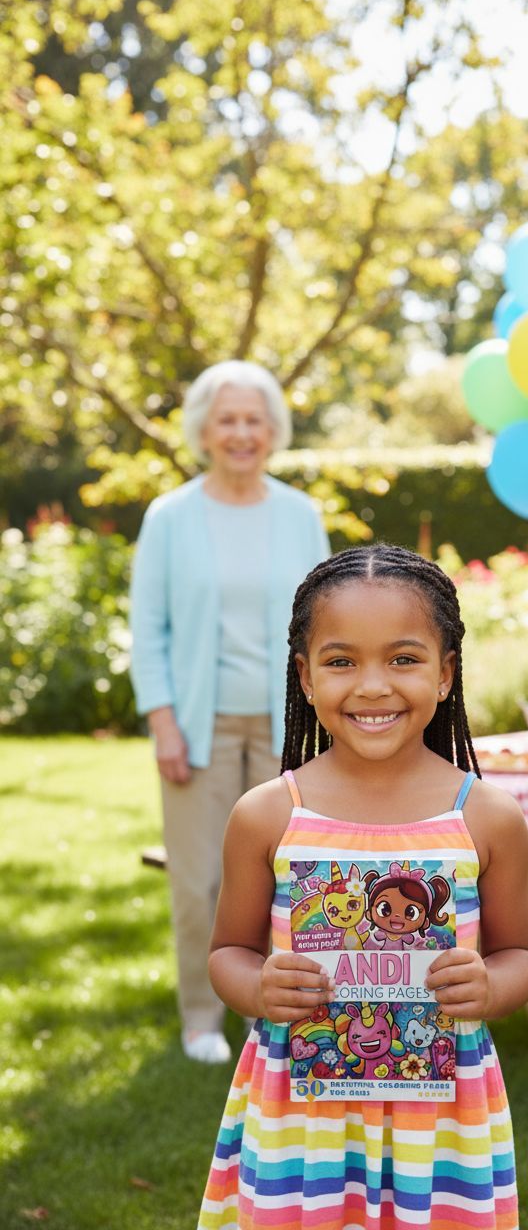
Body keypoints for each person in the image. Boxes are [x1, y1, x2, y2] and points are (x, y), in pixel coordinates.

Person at [197, 543, 528, 1230]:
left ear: (446, 674)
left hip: (441, 1124)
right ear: (305, 677)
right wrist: (258, 988)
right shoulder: (268, 815)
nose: (373, 686)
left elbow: (522, 955)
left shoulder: (487, 817)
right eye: (342, 660)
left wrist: (492, 986)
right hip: (303, 1119)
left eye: (404, 659)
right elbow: (227, 951)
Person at [129, 360, 330, 1065]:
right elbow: (147, 628)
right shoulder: (172, 516)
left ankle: (271, 1010)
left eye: (254, 419)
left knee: (289, 874)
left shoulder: (299, 514)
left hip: (288, 730)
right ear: (204, 431)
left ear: (272, 430)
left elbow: (325, 625)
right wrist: (163, 723)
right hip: (199, 726)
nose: (242, 432)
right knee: (201, 879)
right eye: (228, 419)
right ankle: (199, 1017)